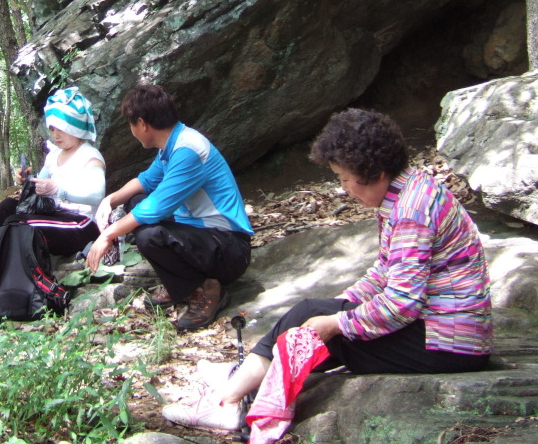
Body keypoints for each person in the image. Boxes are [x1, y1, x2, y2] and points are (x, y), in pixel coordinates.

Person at [161, 109, 493, 437]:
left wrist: (336, 321)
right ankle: (241, 381)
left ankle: (228, 402)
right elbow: (385, 272)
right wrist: (340, 305)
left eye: (345, 178)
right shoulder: (407, 192)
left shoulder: (411, 211)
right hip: (443, 334)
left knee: (319, 325)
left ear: (375, 173)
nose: (344, 188)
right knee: (314, 313)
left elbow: (401, 304)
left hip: (446, 344)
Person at [86, 84, 253, 331]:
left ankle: (205, 290)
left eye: (131, 125)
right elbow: (146, 181)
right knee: (135, 202)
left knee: (150, 235)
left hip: (229, 248)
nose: (131, 130)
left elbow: (155, 207)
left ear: (142, 124)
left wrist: (108, 235)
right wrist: (110, 200)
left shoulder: (188, 150)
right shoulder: (172, 145)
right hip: (204, 239)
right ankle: (180, 284)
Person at [0, 87, 106, 257]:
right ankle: (8, 266)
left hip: (82, 223)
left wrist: (58, 189)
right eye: (52, 129)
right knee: (6, 208)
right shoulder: (54, 155)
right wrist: (27, 181)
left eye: (60, 128)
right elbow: (41, 186)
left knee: (18, 223)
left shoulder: (90, 155)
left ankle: (25, 272)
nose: (55, 135)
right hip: (55, 213)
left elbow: (97, 195)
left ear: (74, 126)